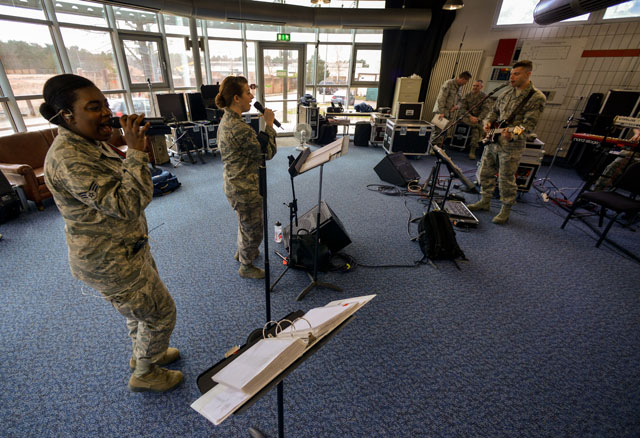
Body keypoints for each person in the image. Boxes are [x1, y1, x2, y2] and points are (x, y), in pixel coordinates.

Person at [41, 74, 182, 393]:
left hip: (128, 247)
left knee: (141, 313)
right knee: (161, 313)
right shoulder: (69, 159)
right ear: (67, 115)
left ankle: (145, 353)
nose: (106, 112)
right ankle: (145, 372)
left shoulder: (88, 143)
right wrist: (136, 151)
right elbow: (128, 203)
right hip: (109, 260)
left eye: (105, 104)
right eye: (94, 107)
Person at [467, 60, 547, 224]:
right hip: (494, 141)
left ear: (528, 74)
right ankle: (485, 201)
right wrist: (488, 123)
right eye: (511, 73)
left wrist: (514, 134)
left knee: (505, 178)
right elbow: (493, 112)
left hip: (511, 146)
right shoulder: (506, 93)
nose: (512, 77)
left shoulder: (536, 97)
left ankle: (506, 208)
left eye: (516, 74)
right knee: (485, 172)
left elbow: (528, 125)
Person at [216, 76, 277, 279]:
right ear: (236, 97)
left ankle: (243, 251)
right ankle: (246, 265)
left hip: (235, 183)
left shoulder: (228, 119)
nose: (252, 97)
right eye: (247, 93)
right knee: (254, 229)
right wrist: (269, 125)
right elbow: (267, 153)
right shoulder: (239, 128)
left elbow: (254, 147)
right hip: (245, 188)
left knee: (245, 222)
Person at [431, 71, 472, 150]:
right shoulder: (448, 83)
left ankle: (438, 148)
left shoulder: (459, 87)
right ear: (462, 79)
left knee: (444, 132)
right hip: (441, 111)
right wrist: (441, 112)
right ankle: (432, 148)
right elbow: (441, 99)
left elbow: (460, 100)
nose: (466, 83)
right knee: (437, 131)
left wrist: (457, 106)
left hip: (449, 113)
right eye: (466, 81)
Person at [459, 80, 492, 160]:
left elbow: (486, 110)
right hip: (466, 117)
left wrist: (478, 118)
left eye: (477, 86)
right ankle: (482, 130)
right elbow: (462, 108)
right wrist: (470, 116)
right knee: (479, 127)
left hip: (477, 119)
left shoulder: (484, 96)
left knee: (476, 131)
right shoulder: (467, 95)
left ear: (481, 87)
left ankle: (472, 151)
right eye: (474, 85)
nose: (475, 87)